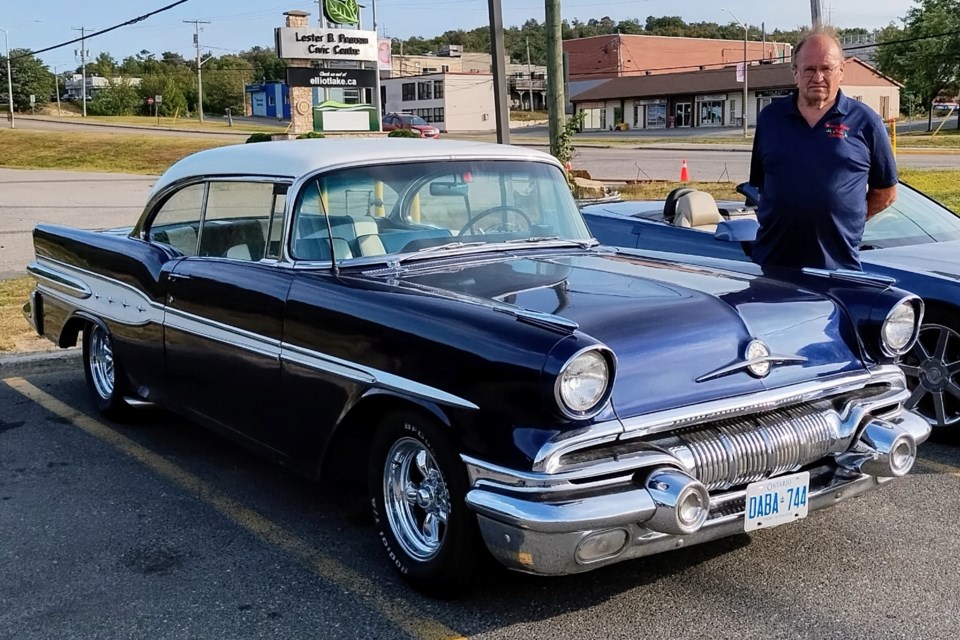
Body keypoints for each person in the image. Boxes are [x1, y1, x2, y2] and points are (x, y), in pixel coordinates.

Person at [748, 29, 898, 271]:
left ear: (841, 71)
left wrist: (847, 220)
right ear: (795, 72)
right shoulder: (770, 119)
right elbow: (760, 186)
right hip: (772, 264)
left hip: (838, 268)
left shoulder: (865, 121)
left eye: (826, 68)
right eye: (809, 69)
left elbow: (887, 193)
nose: (818, 77)